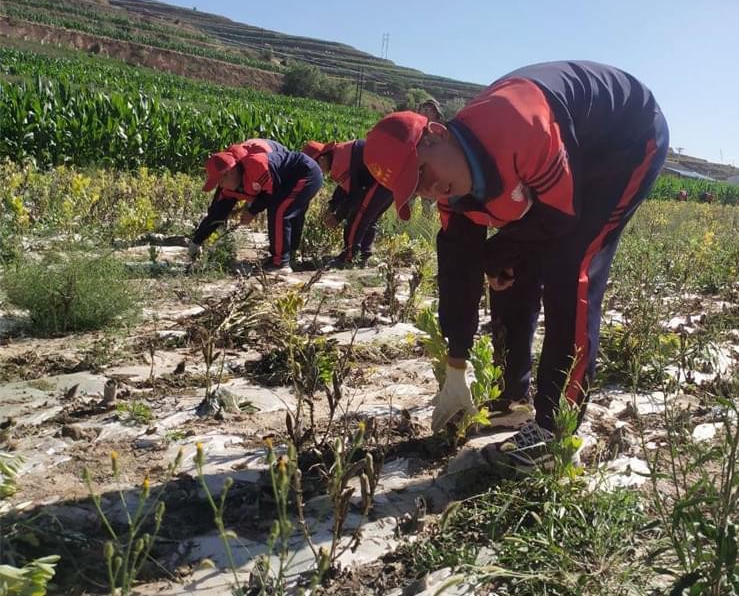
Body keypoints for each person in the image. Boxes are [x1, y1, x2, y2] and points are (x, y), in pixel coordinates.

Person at [363, 61, 669, 470]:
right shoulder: (451, 194)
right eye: (416, 189)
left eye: (423, 171)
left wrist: (498, 252)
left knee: (571, 268)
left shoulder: (519, 126)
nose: (431, 189)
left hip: (624, 138)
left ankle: (556, 433)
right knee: (505, 274)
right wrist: (456, 365)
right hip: (562, 148)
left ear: (437, 134)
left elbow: (561, 217)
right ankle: (513, 399)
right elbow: (458, 272)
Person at [189, 139, 323, 273]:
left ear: (229, 172)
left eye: (220, 180)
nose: (220, 185)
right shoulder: (229, 187)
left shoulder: (256, 165)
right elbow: (217, 213)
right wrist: (197, 241)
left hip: (305, 173)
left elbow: (270, 194)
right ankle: (285, 258)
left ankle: (281, 263)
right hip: (285, 184)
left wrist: (252, 210)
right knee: (279, 210)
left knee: (280, 211)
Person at [302, 139, 393, 268]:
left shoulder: (341, 160)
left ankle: (348, 258)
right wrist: (332, 207)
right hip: (388, 180)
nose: (318, 173)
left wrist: (338, 217)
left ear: (321, 159)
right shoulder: (341, 152)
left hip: (381, 180)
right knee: (369, 219)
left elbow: (353, 196)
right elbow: (344, 187)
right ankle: (362, 257)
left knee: (357, 217)